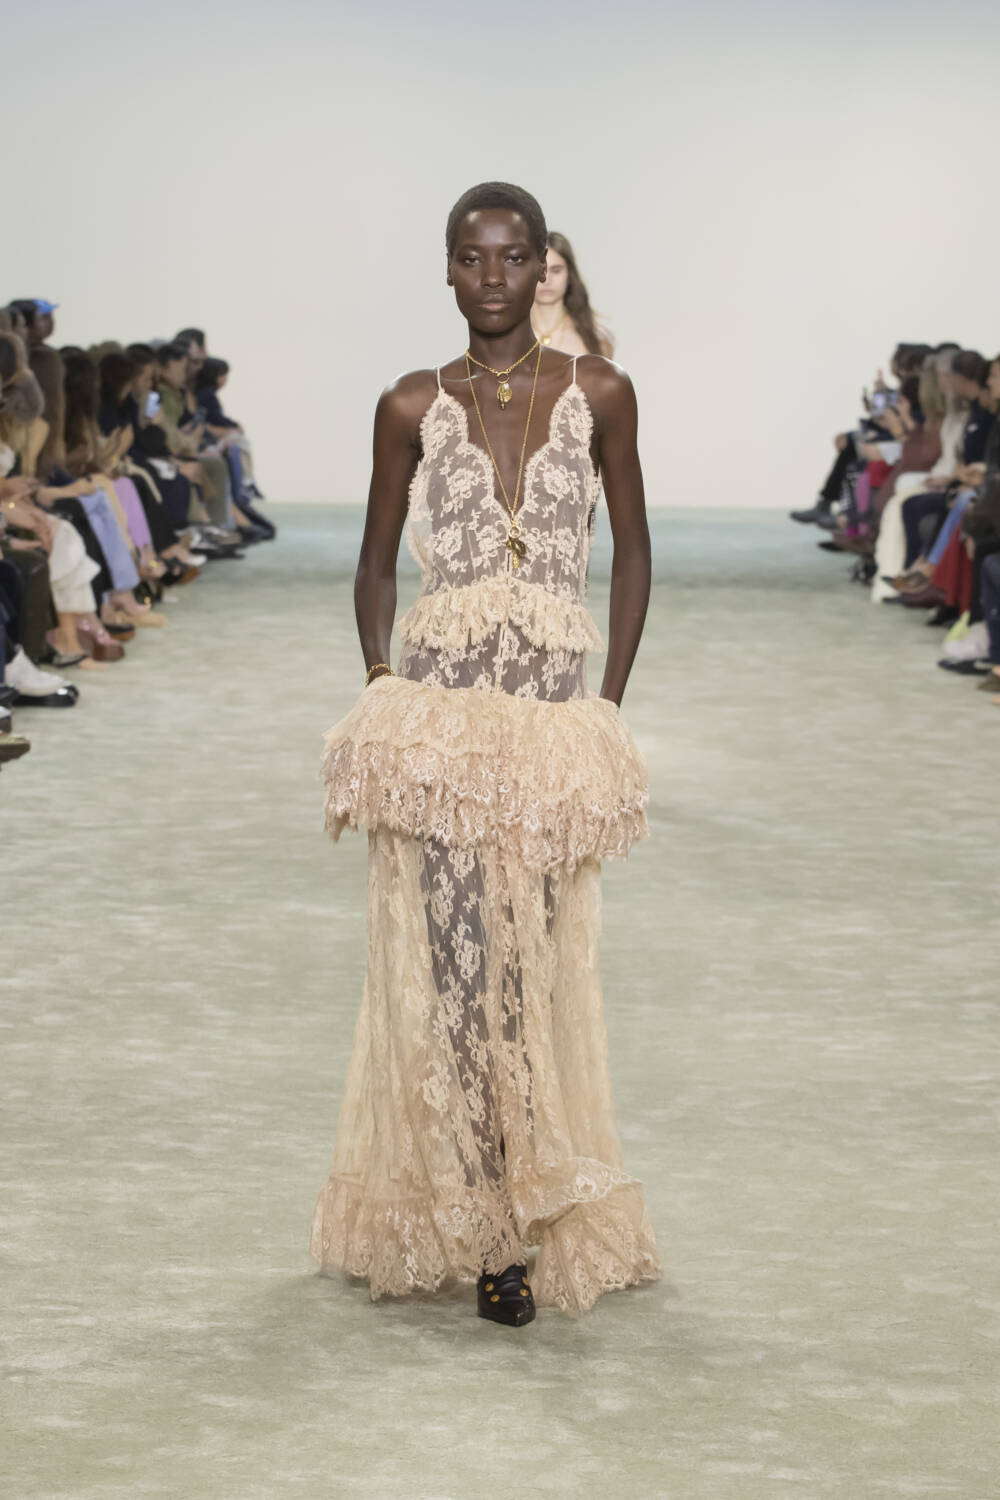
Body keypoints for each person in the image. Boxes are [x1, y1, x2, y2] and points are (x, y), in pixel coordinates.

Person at [310, 181, 660, 1326]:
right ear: (449, 269)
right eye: (473, 256)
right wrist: (381, 681)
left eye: (513, 256)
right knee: (458, 974)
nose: (494, 276)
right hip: (444, 726)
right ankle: (489, 1224)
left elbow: (632, 552)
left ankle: (520, 1197)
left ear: (542, 263)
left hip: (551, 727)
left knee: (533, 971)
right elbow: (374, 560)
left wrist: (604, 705)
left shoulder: (600, 393)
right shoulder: (410, 403)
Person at [531, 231, 614, 356]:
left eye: (556, 270)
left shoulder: (596, 339)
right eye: (540, 270)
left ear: (569, 274)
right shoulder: (505, 336)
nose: (547, 280)